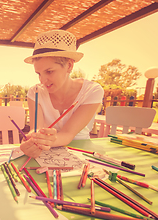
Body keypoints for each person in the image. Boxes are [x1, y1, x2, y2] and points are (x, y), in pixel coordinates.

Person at [20, 29, 104, 158]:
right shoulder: (35, 92)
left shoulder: (92, 91)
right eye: (38, 74)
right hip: (47, 153)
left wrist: (45, 141)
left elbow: (68, 134)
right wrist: (32, 139)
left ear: (69, 66)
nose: (42, 81)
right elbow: (36, 129)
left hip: (82, 152)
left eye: (49, 71)